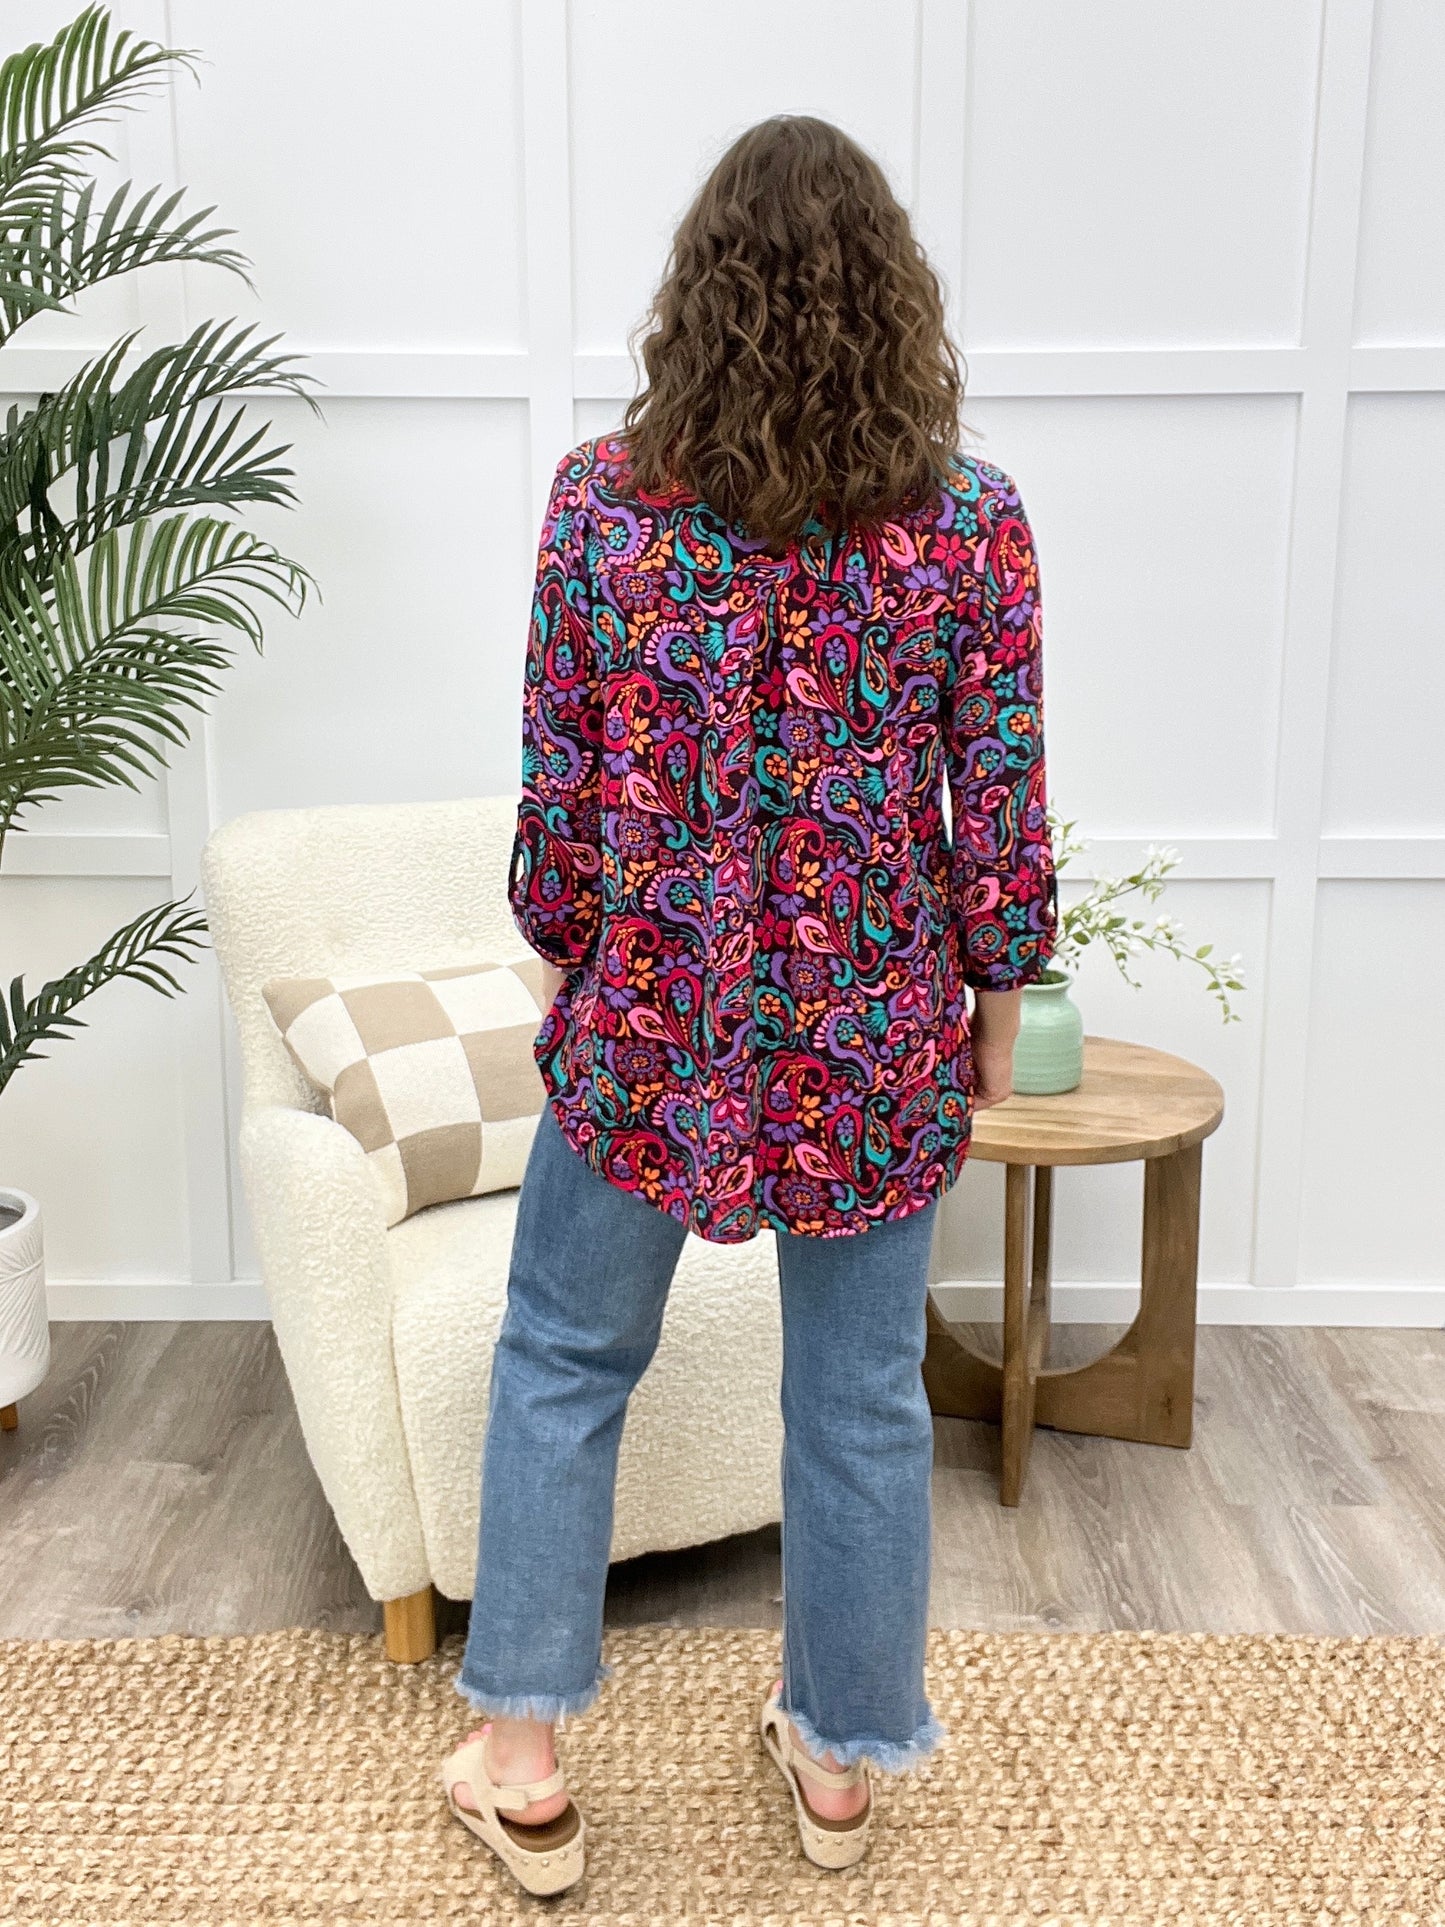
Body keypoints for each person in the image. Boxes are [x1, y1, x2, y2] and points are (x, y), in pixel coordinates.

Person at [438, 112, 1059, 1896]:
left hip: (653, 1016)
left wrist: (566, 937)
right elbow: (997, 800)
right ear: (894, 301)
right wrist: (999, 995)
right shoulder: (969, 526)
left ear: (695, 296)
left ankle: (523, 1761)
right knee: (859, 1400)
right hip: (869, 1034)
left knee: (564, 1360)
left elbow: (559, 782)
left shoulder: (600, 507)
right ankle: (839, 1763)